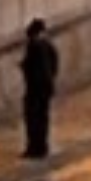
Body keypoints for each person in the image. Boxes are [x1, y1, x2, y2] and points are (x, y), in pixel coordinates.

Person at [19, 19, 60, 159]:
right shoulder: (48, 45)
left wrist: (23, 67)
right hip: (46, 87)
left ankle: (33, 147)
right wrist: (51, 78)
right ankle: (42, 146)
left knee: (32, 118)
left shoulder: (33, 46)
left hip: (34, 89)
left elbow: (31, 67)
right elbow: (55, 63)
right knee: (43, 117)